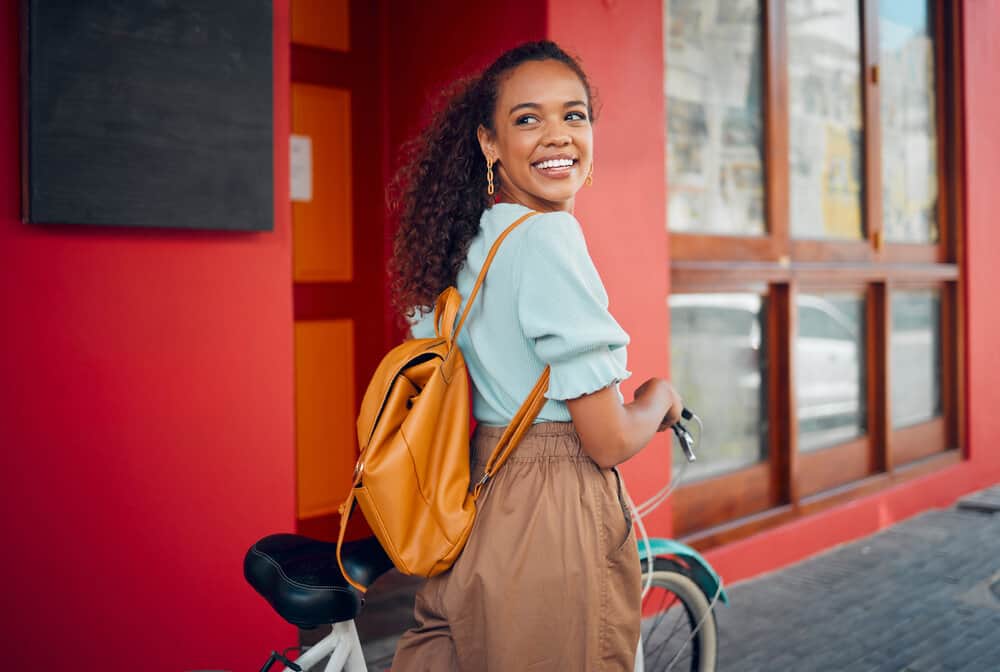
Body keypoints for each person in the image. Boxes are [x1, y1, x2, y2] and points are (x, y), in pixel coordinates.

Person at [388, 40, 684, 672]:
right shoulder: (550, 238)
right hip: (551, 516)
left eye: (574, 116)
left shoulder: (463, 241)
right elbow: (605, 439)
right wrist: (658, 396)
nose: (558, 135)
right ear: (489, 143)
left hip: (473, 501)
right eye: (528, 119)